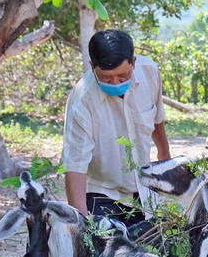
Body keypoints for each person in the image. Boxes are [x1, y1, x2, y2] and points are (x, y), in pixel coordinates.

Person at [62, 30, 171, 225]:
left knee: (150, 241)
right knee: (105, 242)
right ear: (92, 67)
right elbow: (75, 165)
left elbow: (157, 120)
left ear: (133, 62)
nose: (115, 82)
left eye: (123, 75)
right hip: (101, 192)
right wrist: (82, 225)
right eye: (106, 77)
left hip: (144, 189)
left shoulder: (150, 72)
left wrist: (166, 162)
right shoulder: (82, 100)